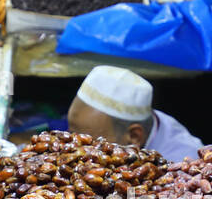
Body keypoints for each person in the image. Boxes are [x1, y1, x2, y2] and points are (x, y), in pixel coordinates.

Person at [66, 65, 203, 163]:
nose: (75, 150)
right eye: (71, 133)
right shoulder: (129, 120)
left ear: (134, 136)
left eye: (90, 144)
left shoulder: (182, 163)